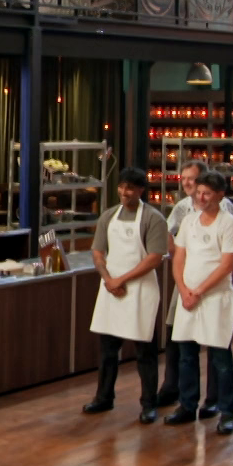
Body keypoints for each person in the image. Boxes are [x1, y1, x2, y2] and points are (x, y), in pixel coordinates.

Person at [83, 167, 170, 422]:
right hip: (111, 289)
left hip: (140, 290)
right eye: (121, 187)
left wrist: (122, 279)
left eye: (130, 188)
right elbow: (98, 252)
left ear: (141, 190)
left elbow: (154, 258)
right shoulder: (108, 216)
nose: (124, 192)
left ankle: (149, 404)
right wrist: (109, 279)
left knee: (145, 351)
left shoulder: (154, 219)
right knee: (108, 350)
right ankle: (103, 397)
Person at [165, 170, 233, 432]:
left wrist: (198, 291)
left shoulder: (228, 224)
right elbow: (179, 258)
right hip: (187, 296)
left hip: (215, 297)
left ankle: (227, 411)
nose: (200, 197)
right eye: (198, 193)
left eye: (206, 193)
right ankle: (187, 405)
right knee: (186, 355)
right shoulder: (188, 221)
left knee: (220, 358)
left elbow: (227, 265)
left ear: (220, 195)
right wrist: (183, 289)